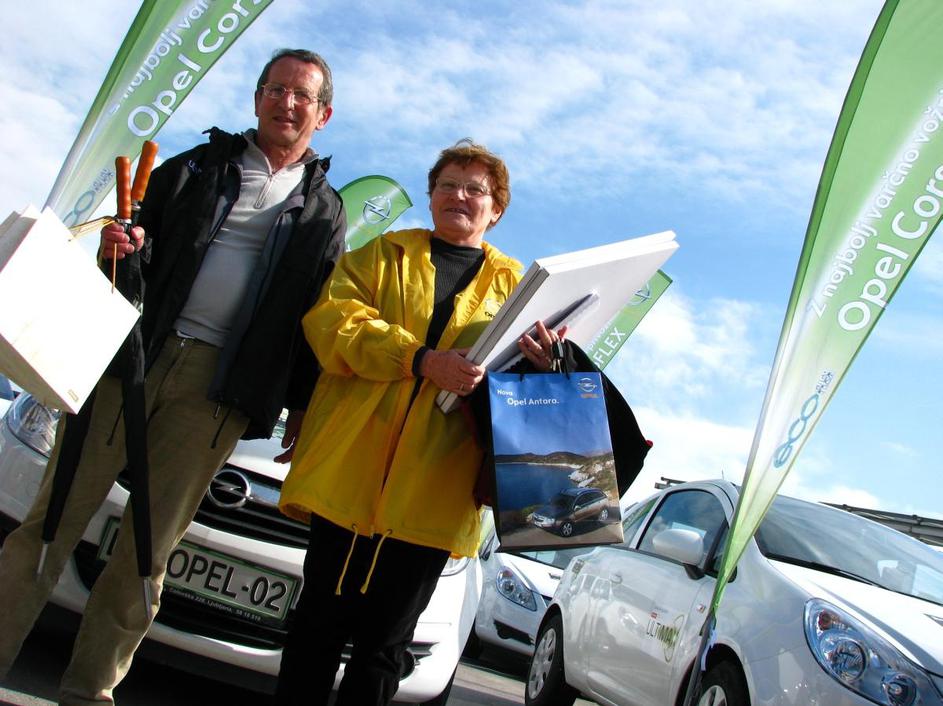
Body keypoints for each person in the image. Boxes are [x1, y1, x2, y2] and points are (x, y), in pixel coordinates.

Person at [0, 48, 346, 705]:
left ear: (322, 114)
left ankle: (88, 691)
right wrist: (121, 248)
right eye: (275, 89)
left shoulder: (325, 211)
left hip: (216, 393)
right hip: (128, 360)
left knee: (147, 551)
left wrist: (301, 408)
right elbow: (133, 246)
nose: (286, 102)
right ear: (257, 98)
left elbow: (312, 317)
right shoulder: (197, 166)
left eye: (301, 94)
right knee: (50, 522)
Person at [275, 139, 563, 706]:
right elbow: (332, 322)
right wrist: (420, 360)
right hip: (346, 476)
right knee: (315, 629)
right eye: (448, 184)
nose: (460, 196)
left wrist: (543, 365)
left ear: (496, 209)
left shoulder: (519, 288)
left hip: (436, 493)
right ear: (430, 197)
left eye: (476, 189)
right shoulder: (380, 254)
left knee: (384, 648)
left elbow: (521, 401)